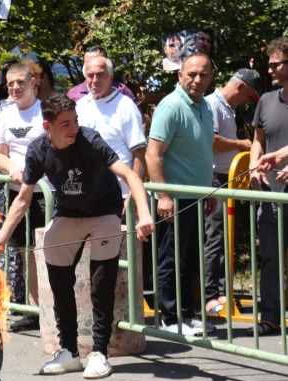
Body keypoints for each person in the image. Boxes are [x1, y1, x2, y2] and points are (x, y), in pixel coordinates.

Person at [0, 93, 154, 379]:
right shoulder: (38, 150)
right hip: (68, 215)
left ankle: (99, 352)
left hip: (104, 214)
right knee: (59, 279)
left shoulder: (91, 140)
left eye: (75, 120)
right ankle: (69, 352)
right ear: (47, 126)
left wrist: (144, 214)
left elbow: (130, 175)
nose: (73, 127)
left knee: (101, 284)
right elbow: (22, 200)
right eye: (65, 124)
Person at [145, 53, 216, 335]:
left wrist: (208, 189)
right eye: (192, 74)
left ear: (211, 77)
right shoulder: (171, 106)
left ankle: (186, 314)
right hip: (175, 199)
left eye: (203, 74)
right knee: (171, 259)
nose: (197, 79)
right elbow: (153, 155)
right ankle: (171, 318)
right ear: (180, 75)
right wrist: (163, 196)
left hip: (197, 196)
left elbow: (202, 150)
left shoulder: (205, 106)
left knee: (190, 259)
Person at [0, 61, 47, 331]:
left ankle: (53, 308)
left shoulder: (44, 110)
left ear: (33, 82)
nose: (14, 88)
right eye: (10, 83)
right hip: (17, 192)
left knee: (47, 251)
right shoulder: (5, 114)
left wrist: (33, 172)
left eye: (20, 82)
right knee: (26, 253)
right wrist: (13, 167)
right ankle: (35, 311)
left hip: (46, 192)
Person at [202, 69, 260, 315]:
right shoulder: (212, 104)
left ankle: (224, 293)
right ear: (240, 87)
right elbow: (212, 140)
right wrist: (241, 144)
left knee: (226, 237)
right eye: (248, 97)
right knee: (214, 237)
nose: (246, 102)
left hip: (229, 178)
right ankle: (209, 296)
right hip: (215, 178)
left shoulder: (228, 107)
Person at [248, 37, 288, 336]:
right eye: (270, 63)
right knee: (271, 256)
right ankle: (271, 316)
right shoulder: (266, 100)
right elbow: (258, 141)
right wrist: (253, 166)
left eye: (276, 63)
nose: (270, 69)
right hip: (272, 193)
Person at [76, 56, 147, 197]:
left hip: (119, 195)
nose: (95, 80)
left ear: (110, 76)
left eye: (100, 74)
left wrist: (133, 196)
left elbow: (139, 155)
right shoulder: (80, 105)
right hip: (86, 195)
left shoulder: (125, 106)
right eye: (90, 76)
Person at [66, 46, 138, 103]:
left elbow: (140, 120)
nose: (93, 65)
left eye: (98, 60)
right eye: (88, 62)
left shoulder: (122, 91)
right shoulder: (73, 94)